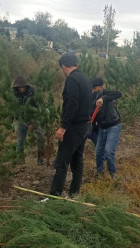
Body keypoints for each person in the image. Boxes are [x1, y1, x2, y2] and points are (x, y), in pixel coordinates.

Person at [49, 53, 92, 197]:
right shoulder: (85, 79)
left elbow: (72, 104)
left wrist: (63, 127)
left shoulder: (72, 79)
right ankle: (74, 193)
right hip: (85, 125)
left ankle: (54, 196)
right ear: (76, 64)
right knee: (77, 160)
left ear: (63, 66)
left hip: (74, 127)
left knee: (62, 162)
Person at [90, 77, 122, 179]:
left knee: (108, 150)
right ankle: (100, 173)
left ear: (100, 87)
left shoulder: (106, 94)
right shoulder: (91, 97)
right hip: (101, 128)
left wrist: (103, 98)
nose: (93, 90)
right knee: (99, 152)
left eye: (94, 88)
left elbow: (118, 94)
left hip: (113, 126)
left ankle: (113, 174)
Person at [12, 75, 45, 165]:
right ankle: (20, 159)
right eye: (19, 87)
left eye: (23, 86)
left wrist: (42, 111)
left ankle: (41, 160)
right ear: (16, 87)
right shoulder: (13, 93)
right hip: (21, 118)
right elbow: (12, 108)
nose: (21, 88)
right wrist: (11, 120)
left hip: (34, 116)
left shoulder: (32, 91)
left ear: (26, 85)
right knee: (20, 139)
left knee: (41, 137)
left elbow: (40, 104)